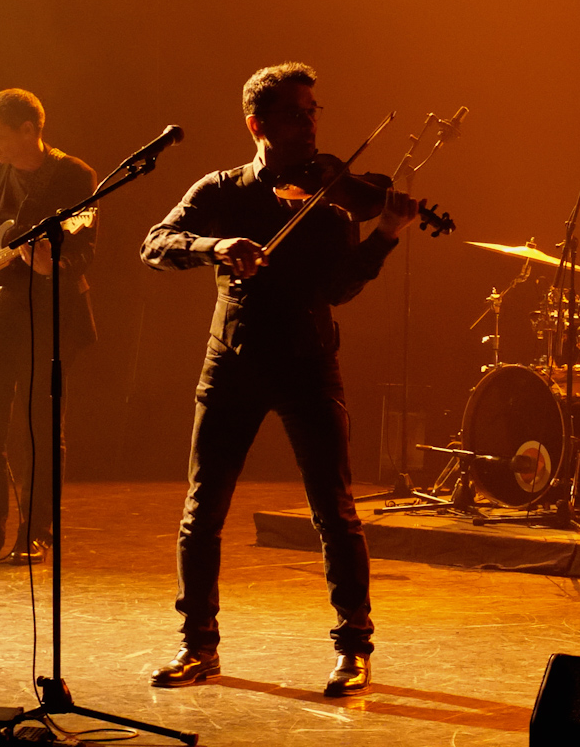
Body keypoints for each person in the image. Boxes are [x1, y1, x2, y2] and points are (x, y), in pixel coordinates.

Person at [141, 62, 418, 697]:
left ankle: (354, 648)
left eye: (315, 110)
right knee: (201, 512)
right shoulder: (221, 190)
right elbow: (156, 242)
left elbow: (339, 288)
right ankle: (197, 647)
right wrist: (216, 248)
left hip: (307, 361)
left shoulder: (328, 202)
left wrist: (384, 236)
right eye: (298, 113)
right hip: (232, 361)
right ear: (258, 123)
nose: (312, 123)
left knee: (335, 510)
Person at [0, 88, 98, 568]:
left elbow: (86, 248)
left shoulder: (73, 176)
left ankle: (37, 534)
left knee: (40, 432)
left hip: (45, 320)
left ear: (29, 131)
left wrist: (54, 267)